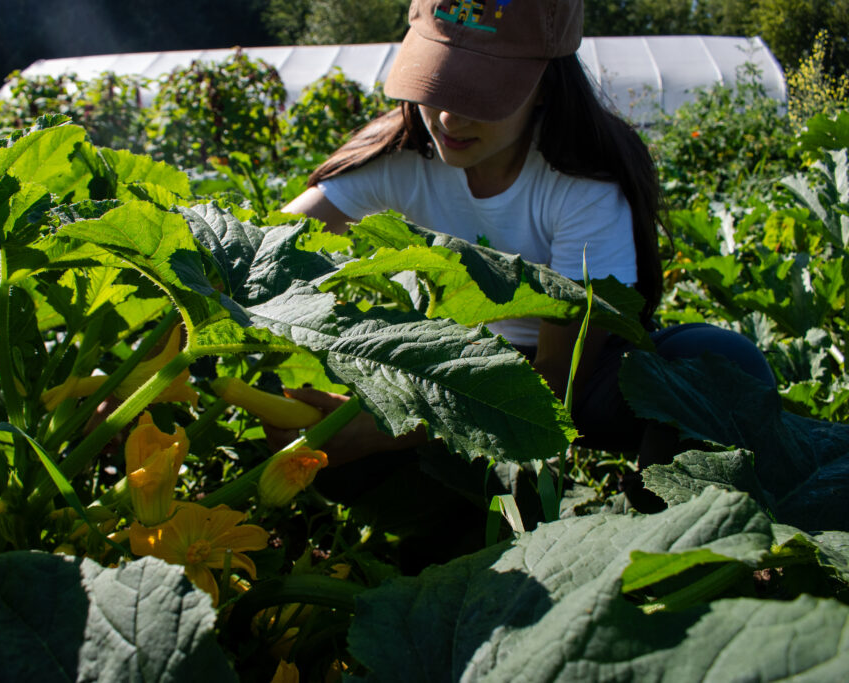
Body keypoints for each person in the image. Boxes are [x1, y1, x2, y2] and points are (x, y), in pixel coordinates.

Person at [274, 0, 775, 515]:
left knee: (718, 364)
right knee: (341, 470)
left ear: (546, 86)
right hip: (446, 373)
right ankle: (455, 528)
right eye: (438, 81)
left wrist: (392, 427)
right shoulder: (401, 155)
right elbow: (264, 246)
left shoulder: (581, 185)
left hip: (568, 385)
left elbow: (556, 378)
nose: (448, 115)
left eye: (480, 92)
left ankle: (657, 531)